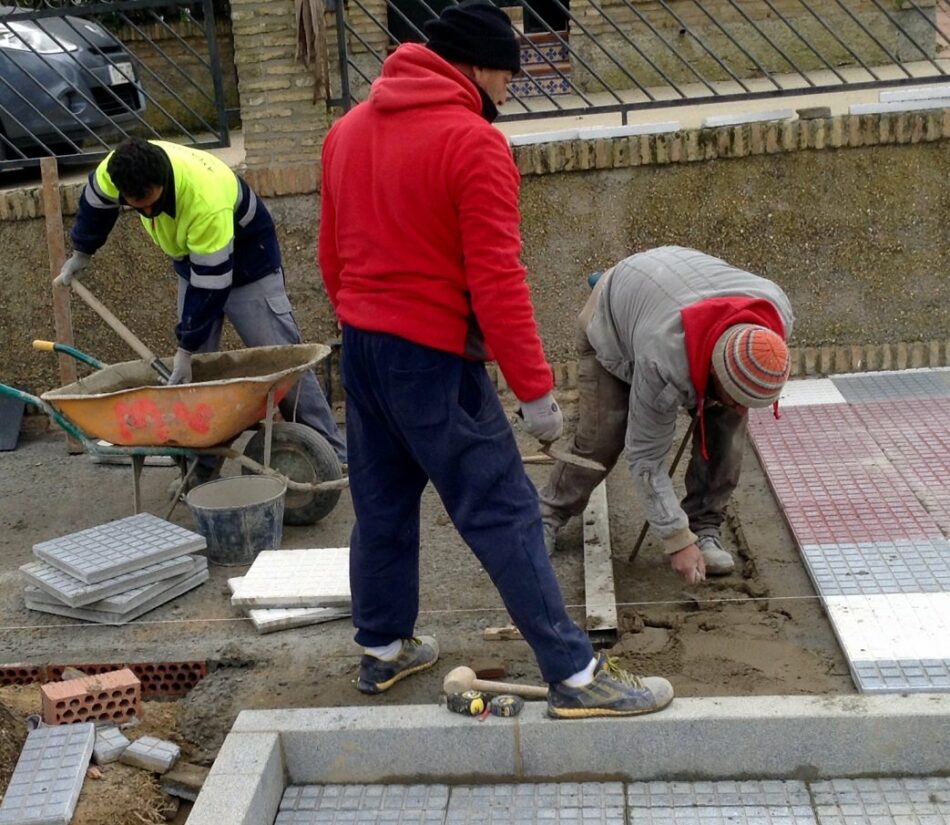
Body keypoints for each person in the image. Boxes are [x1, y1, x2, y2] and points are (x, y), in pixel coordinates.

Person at [318, 0, 673, 718]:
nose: (510, 92)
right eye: (508, 77)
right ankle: (574, 675)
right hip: (432, 359)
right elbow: (497, 280)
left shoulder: (346, 132)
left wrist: (368, 327)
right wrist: (535, 390)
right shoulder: (473, 143)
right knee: (504, 508)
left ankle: (383, 650)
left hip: (362, 347)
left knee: (381, 504)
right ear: (476, 67)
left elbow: (331, 257)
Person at [54, 137, 346, 480]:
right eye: (137, 206)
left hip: (249, 260)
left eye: (152, 202)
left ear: (164, 180)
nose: (148, 213)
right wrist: (81, 253)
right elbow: (95, 205)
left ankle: (332, 456)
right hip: (194, 261)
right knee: (192, 380)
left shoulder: (203, 198)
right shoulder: (115, 171)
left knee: (284, 363)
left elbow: (212, 284)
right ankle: (200, 470)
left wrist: (185, 347)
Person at [540, 246, 794, 584]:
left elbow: (738, 393)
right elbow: (645, 458)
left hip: (669, 293)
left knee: (725, 427)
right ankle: (546, 515)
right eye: (734, 396)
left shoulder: (774, 316)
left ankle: (704, 526)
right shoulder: (664, 359)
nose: (740, 406)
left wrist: (727, 400)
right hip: (613, 319)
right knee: (603, 436)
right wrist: (675, 540)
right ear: (713, 373)